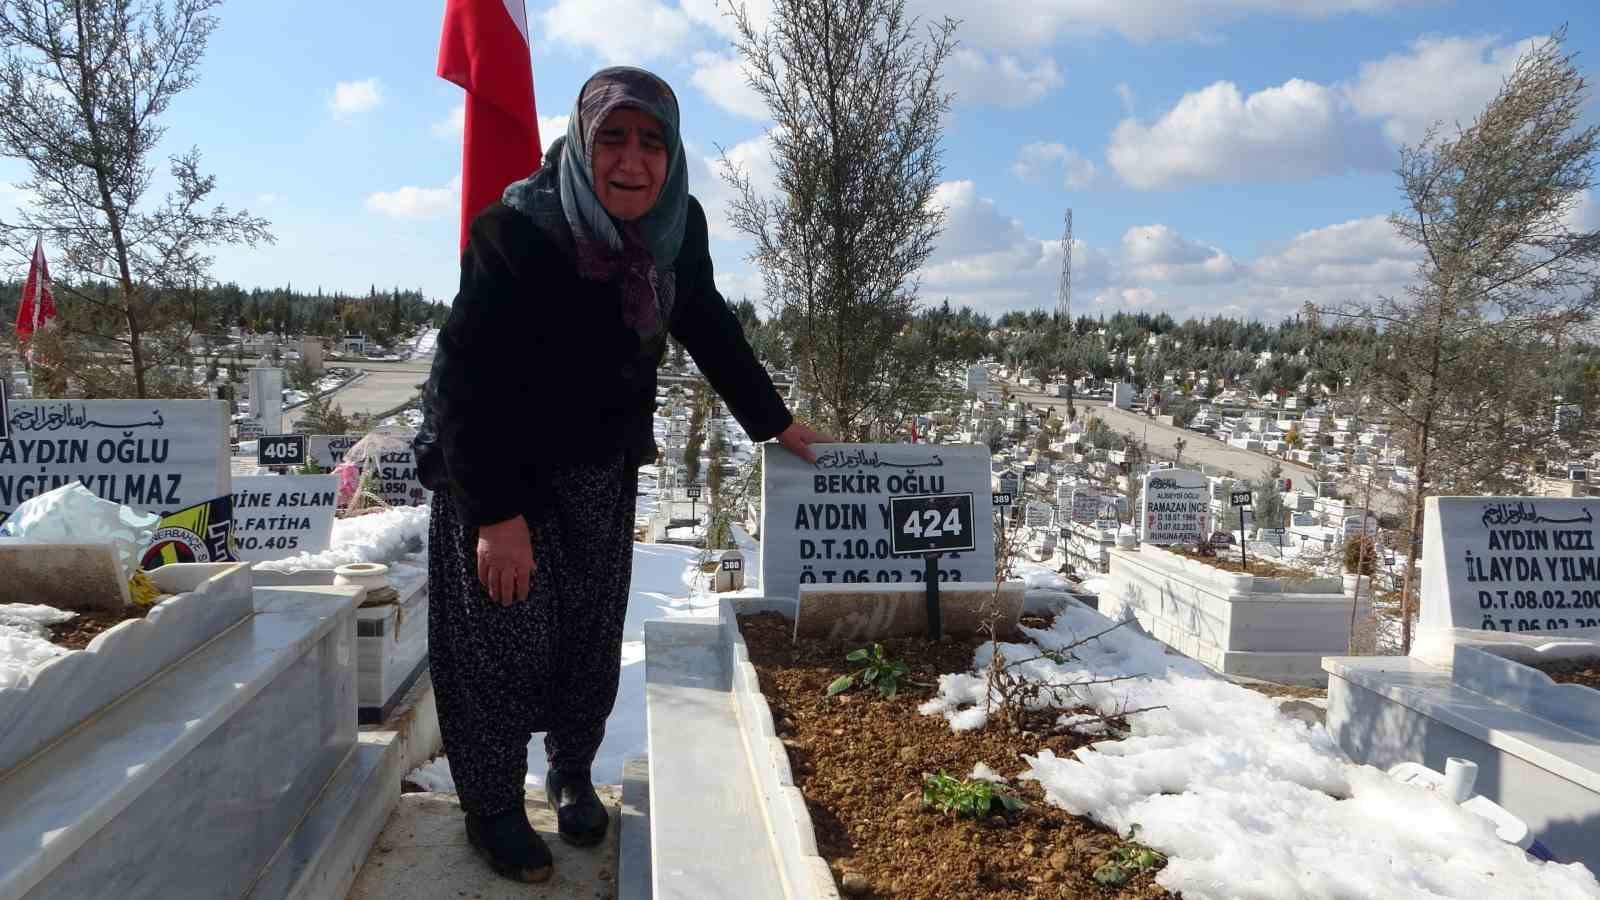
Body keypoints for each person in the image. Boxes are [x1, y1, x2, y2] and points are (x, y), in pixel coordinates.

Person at [413, 66, 829, 884]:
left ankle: (572, 772)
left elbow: (705, 318)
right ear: (580, 141)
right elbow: (465, 380)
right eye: (612, 137)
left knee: (586, 638)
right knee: (498, 642)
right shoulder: (517, 230)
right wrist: (496, 516)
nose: (632, 161)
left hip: (599, 467)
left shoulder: (677, 227)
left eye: (652, 142)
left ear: (672, 156)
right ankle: (492, 805)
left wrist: (772, 421)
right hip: (496, 468)